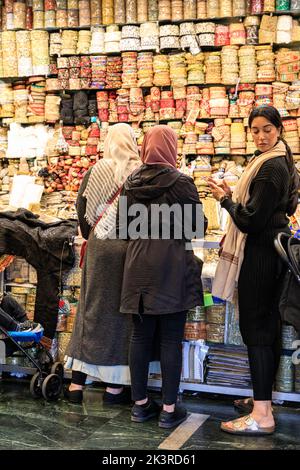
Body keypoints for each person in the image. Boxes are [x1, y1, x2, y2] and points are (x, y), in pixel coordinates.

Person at [208, 106, 299, 435]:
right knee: (268, 331)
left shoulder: (269, 167)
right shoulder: (283, 158)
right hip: (273, 250)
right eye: (255, 130)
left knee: (257, 332)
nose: (261, 136)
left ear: (278, 129)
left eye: (267, 129)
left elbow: (249, 220)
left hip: (260, 254)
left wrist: (225, 200)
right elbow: (283, 208)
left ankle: (262, 416)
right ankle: (264, 401)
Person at [119, 125, 207, 429]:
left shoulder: (130, 182)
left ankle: (140, 405)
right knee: (171, 339)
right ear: (171, 148)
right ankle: (169, 409)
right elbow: (196, 227)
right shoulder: (182, 182)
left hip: (137, 267)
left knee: (140, 337)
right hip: (170, 265)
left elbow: (123, 229)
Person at [64, 123, 141, 404]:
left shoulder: (96, 170)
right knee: (122, 316)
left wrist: (94, 235)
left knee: (90, 311)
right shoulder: (140, 171)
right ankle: (114, 389)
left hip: (98, 250)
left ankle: (76, 386)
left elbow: (82, 214)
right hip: (129, 251)